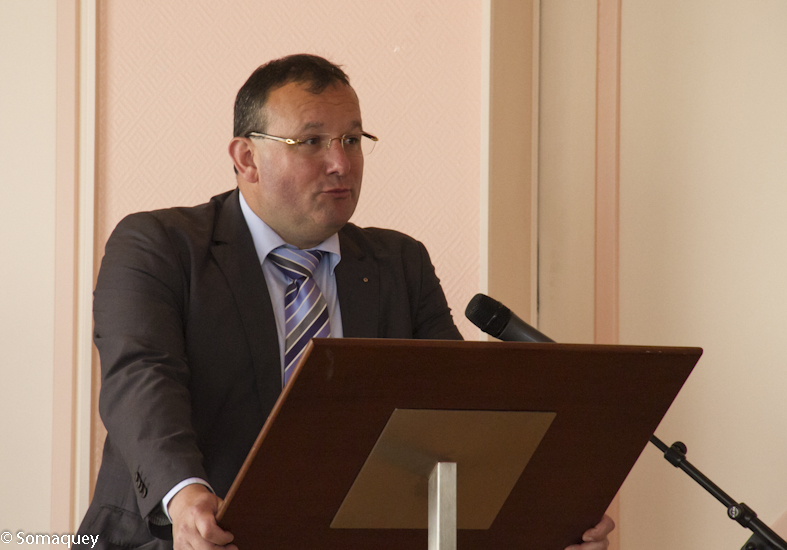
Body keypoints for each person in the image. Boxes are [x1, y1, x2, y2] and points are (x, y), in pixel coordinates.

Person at [75, 54, 614, 550]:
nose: (341, 163)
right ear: (247, 158)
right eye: (311, 141)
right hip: (183, 537)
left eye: (352, 140)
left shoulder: (399, 263)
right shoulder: (159, 246)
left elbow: (455, 413)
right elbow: (142, 376)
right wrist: (185, 495)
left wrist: (547, 514)